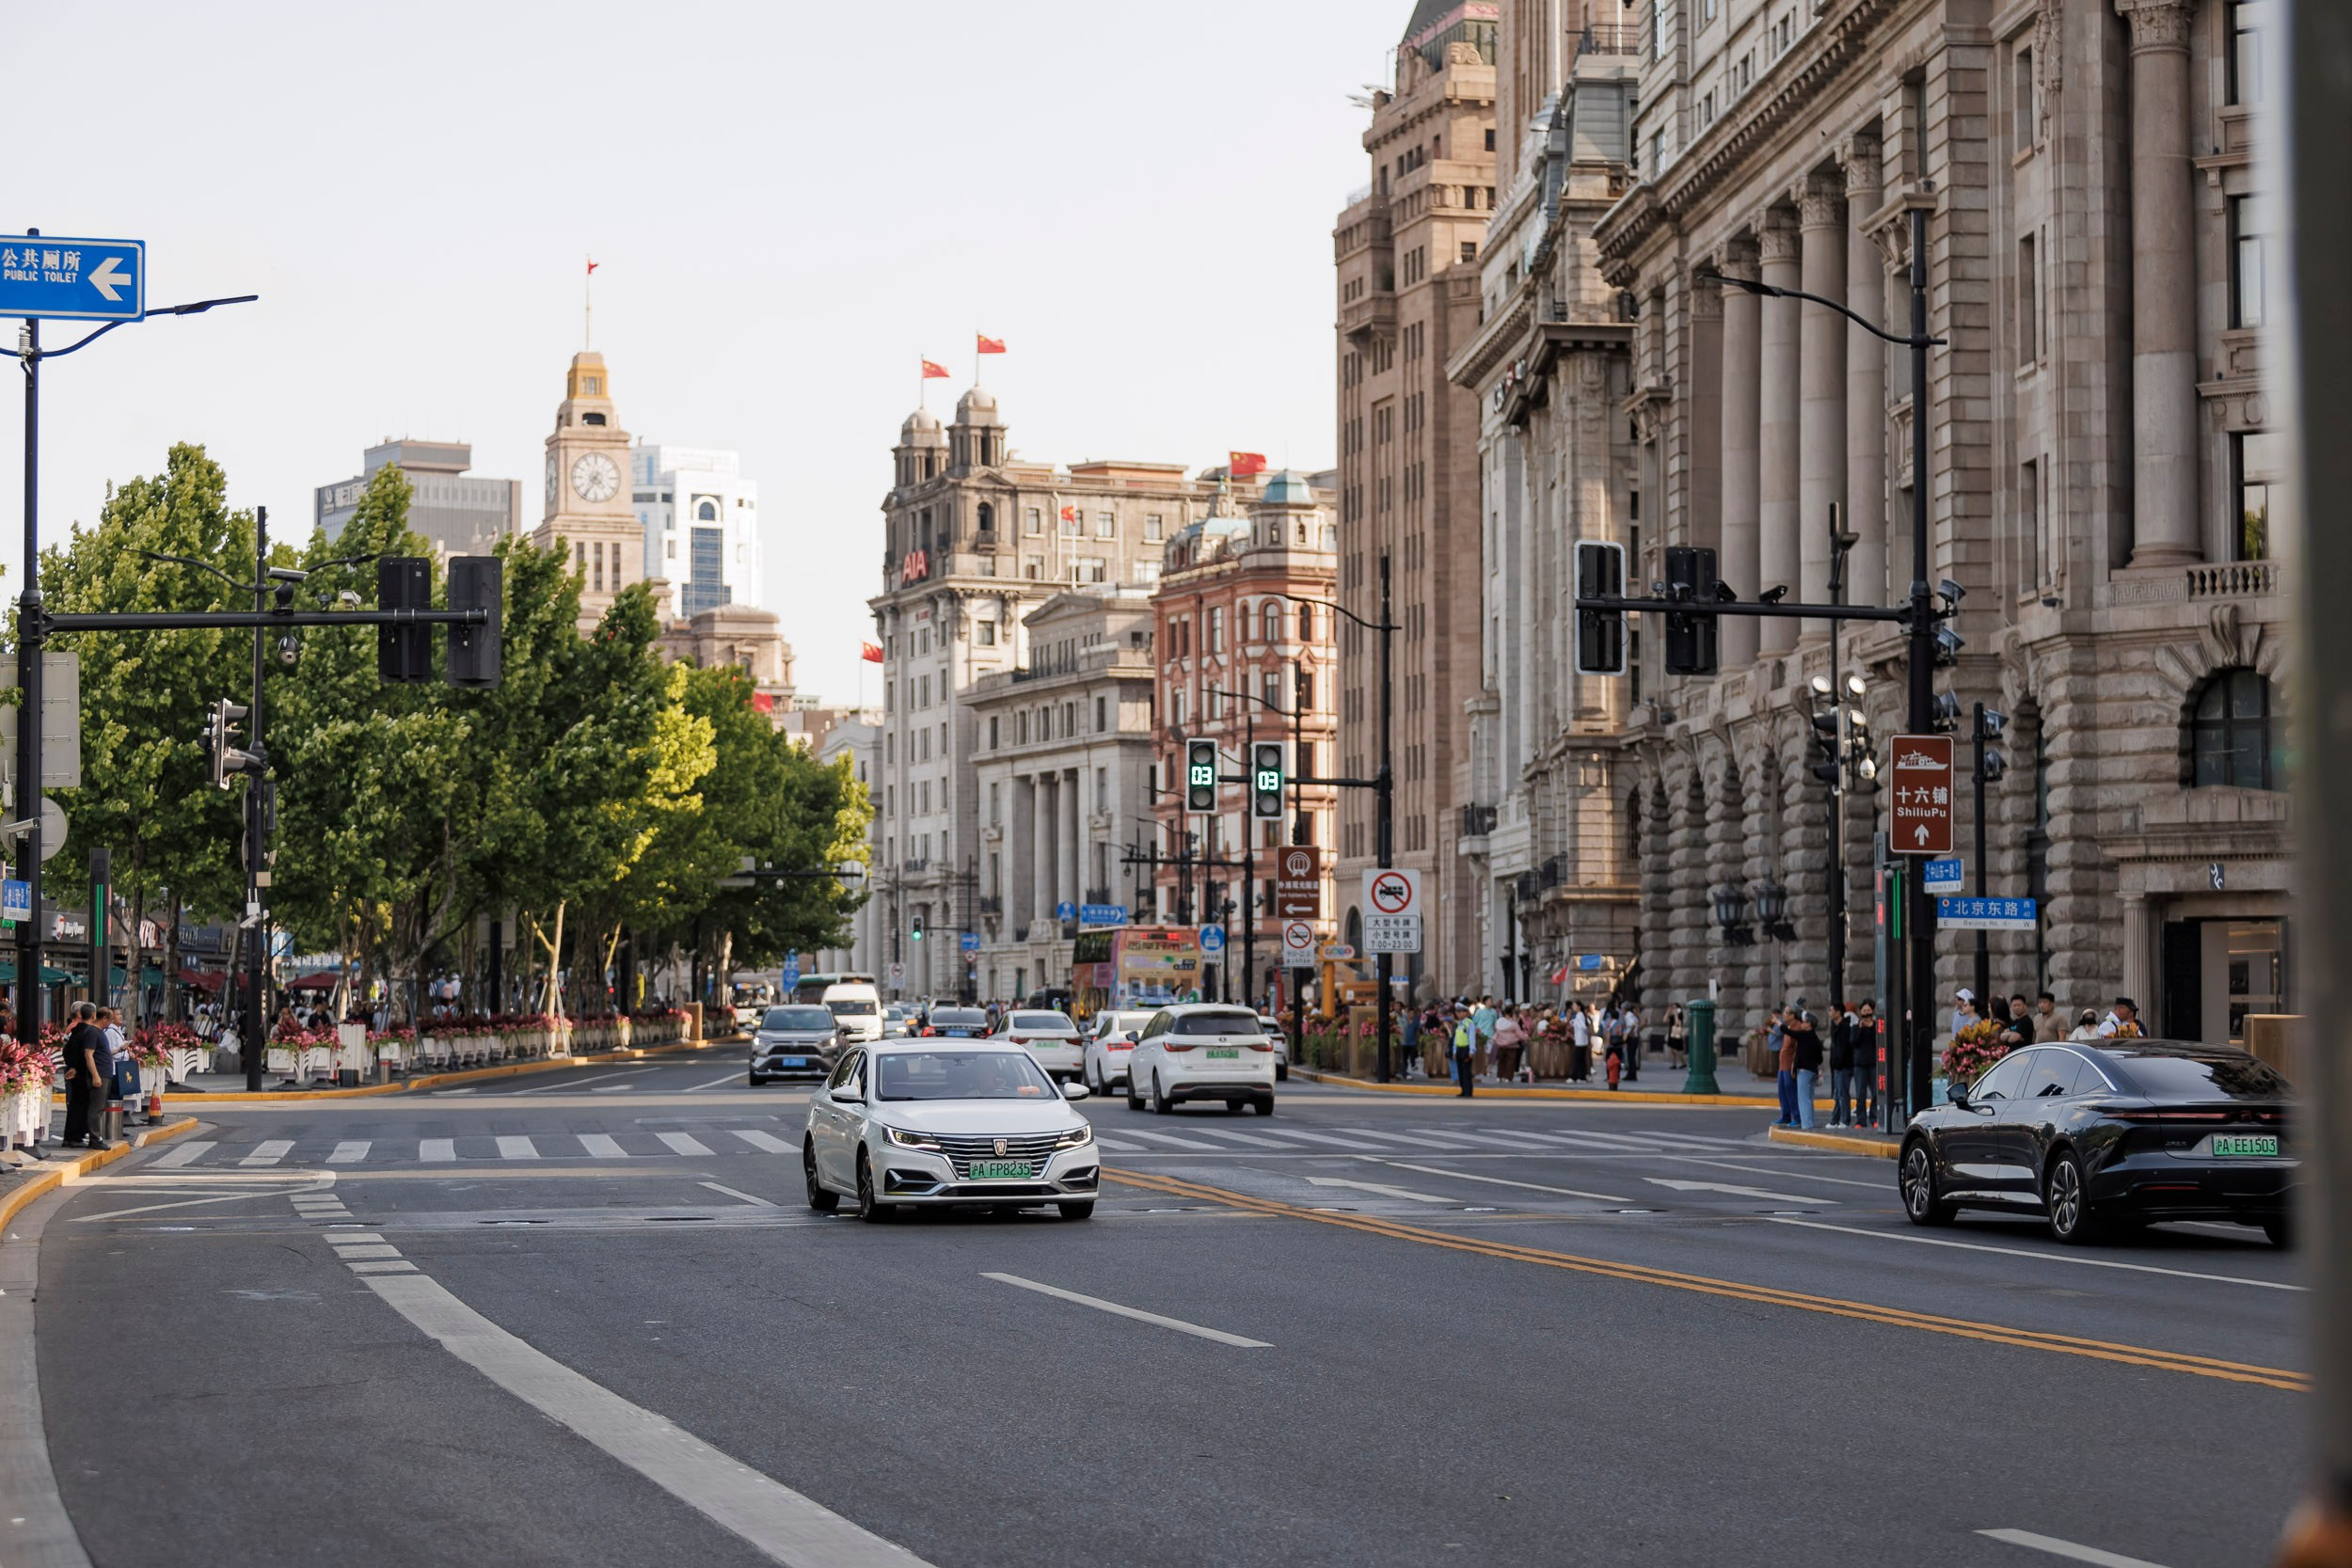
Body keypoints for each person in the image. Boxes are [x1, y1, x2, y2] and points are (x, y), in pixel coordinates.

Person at [60, 1002, 108, 1149]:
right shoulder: (88, 1031)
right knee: (82, 1106)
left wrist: (72, 1066)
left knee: (76, 1105)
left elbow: (67, 1051)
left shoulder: (76, 1031)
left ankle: (72, 1137)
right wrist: (77, 1068)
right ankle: (76, 1136)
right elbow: (86, 1054)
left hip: (77, 1071)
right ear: (93, 1015)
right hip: (82, 1073)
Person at [1788, 1004, 1823, 1130]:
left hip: (1804, 1071)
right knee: (1809, 1099)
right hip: (1813, 1071)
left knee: (1803, 1099)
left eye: (1803, 1022)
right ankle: (1810, 1123)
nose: (1801, 1024)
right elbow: (1820, 1059)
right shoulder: (1816, 1038)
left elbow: (1788, 1031)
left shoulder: (1804, 1036)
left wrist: (1778, 1023)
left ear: (1809, 1024)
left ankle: (1806, 1125)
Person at [1827, 1000, 1858, 1128]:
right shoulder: (1837, 1027)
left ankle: (1845, 1120)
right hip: (1838, 1066)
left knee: (1842, 1094)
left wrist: (1838, 1063)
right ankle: (1835, 1120)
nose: (1829, 1013)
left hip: (1844, 1066)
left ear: (1838, 1012)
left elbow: (1844, 1048)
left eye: (1831, 1010)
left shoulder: (1845, 1028)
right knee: (1838, 1094)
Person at [1852, 1001, 1880, 1128]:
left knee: (1875, 1093)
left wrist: (1872, 1027)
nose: (1866, 1013)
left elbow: (1879, 1041)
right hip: (1860, 1065)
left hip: (1874, 1064)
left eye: (1868, 1011)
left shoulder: (1877, 1026)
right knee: (1860, 1094)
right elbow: (1853, 1042)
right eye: (1864, 1011)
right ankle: (1861, 1120)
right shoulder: (1856, 1027)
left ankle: (1874, 1118)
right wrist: (1860, 1028)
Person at [1772, 1007, 1799, 1128]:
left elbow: (1797, 1049)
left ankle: (1796, 1117)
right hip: (1782, 1066)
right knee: (1782, 1091)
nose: (1783, 1014)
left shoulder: (1797, 1027)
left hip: (1789, 1065)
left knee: (1791, 1091)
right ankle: (1785, 1116)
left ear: (1793, 1015)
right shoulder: (1788, 1026)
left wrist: (1794, 1065)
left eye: (1786, 1012)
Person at [1450, 1008, 1475, 1097]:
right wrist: (1454, 1050)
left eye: (1460, 1012)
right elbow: (1456, 1038)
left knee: (1466, 1071)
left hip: (1466, 1049)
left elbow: (1472, 1037)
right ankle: (1463, 1090)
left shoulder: (1469, 1023)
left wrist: (1472, 1050)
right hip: (1459, 1049)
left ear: (1465, 1013)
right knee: (1460, 1071)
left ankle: (1468, 1091)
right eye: (1457, 1012)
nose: (1458, 1014)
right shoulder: (1459, 1024)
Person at [1619, 1001, 1645, 1083]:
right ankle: (1632, 1074)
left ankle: (1631, 1075)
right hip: (1635, 1038)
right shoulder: (1633, 1016)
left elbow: (1632, 1025)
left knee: (1630, 1057)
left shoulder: (1628, 1016)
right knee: (1632, 1057)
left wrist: (1630, 1033)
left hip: (1631, 1038)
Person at [1568, 1001, 1592, 1083]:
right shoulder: (1580, 1015)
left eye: (1574, 1005)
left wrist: (1576, 1025)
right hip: (1581, 1041)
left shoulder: (1579, 1015)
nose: (1573, 1007)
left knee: (1577, 1060)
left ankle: (1575, 1077)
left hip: (1580, 1041)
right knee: (1581, 1060)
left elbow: (1583, 1027)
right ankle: (1581, 1077)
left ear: (1578, 1006)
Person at [1665, 1003, 1688, 1069]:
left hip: (1677, 1033)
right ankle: (1674, 1064)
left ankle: (1683, 1063)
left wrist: (1675, 1014)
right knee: (1672, 1049)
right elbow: (1665, 1020)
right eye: (1672, 1007)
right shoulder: (1671, 1014)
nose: (1673, 1009)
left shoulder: (1679, 1015)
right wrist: (1668, 1012)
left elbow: (1677, 1023)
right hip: (1671, 1032)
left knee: (1677, 1049)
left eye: (1675, 1007)